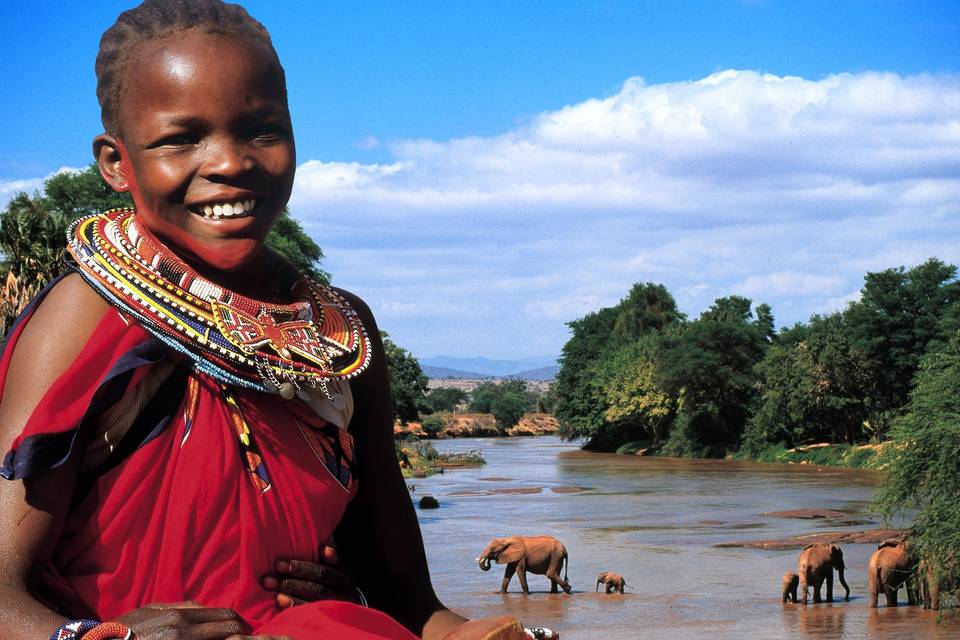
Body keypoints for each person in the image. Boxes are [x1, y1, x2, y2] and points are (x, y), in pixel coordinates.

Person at [0, 2, 532, 639]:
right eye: (180, 138)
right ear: (116, 163)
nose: (230, 163)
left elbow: (409, 602)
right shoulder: (85, 315)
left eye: (262, 130)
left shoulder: (340, 333)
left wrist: (481, 633)